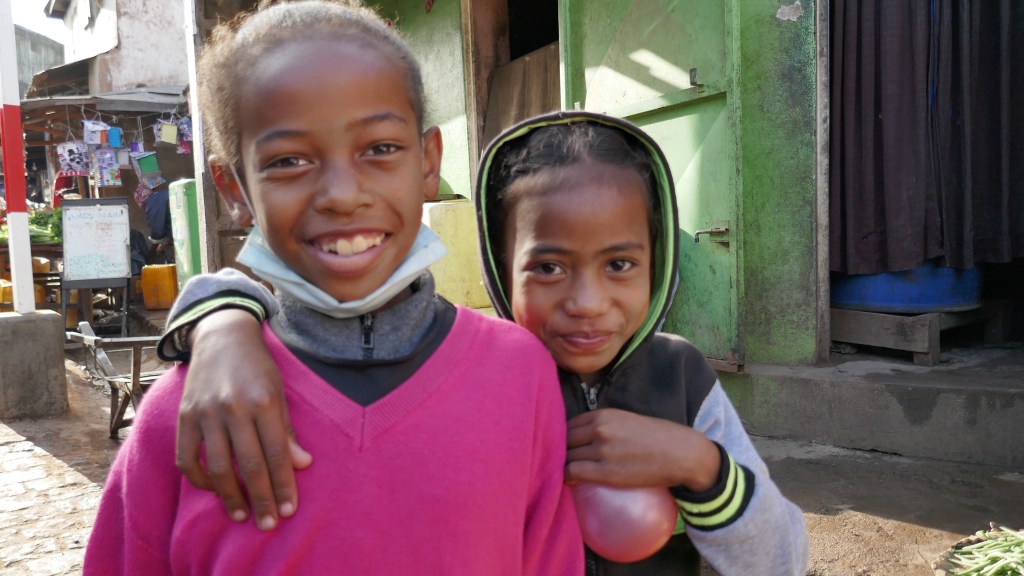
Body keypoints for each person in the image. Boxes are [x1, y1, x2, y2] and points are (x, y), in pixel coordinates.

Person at [159, 109, 810, 574]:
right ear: (500, 266)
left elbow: (782, 560)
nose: (587, 302)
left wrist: (702, 466)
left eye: (620, 264)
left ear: (657, 259)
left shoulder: (681, 376)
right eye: (548, 267)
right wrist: (223, 315)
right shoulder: (474, 375)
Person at [83, 2, 583, 574]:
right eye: (289, 161)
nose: (343, 195)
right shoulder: (189, 415)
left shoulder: (519, 375)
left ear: (428, 162)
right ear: (235, 189)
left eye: (380, 149)